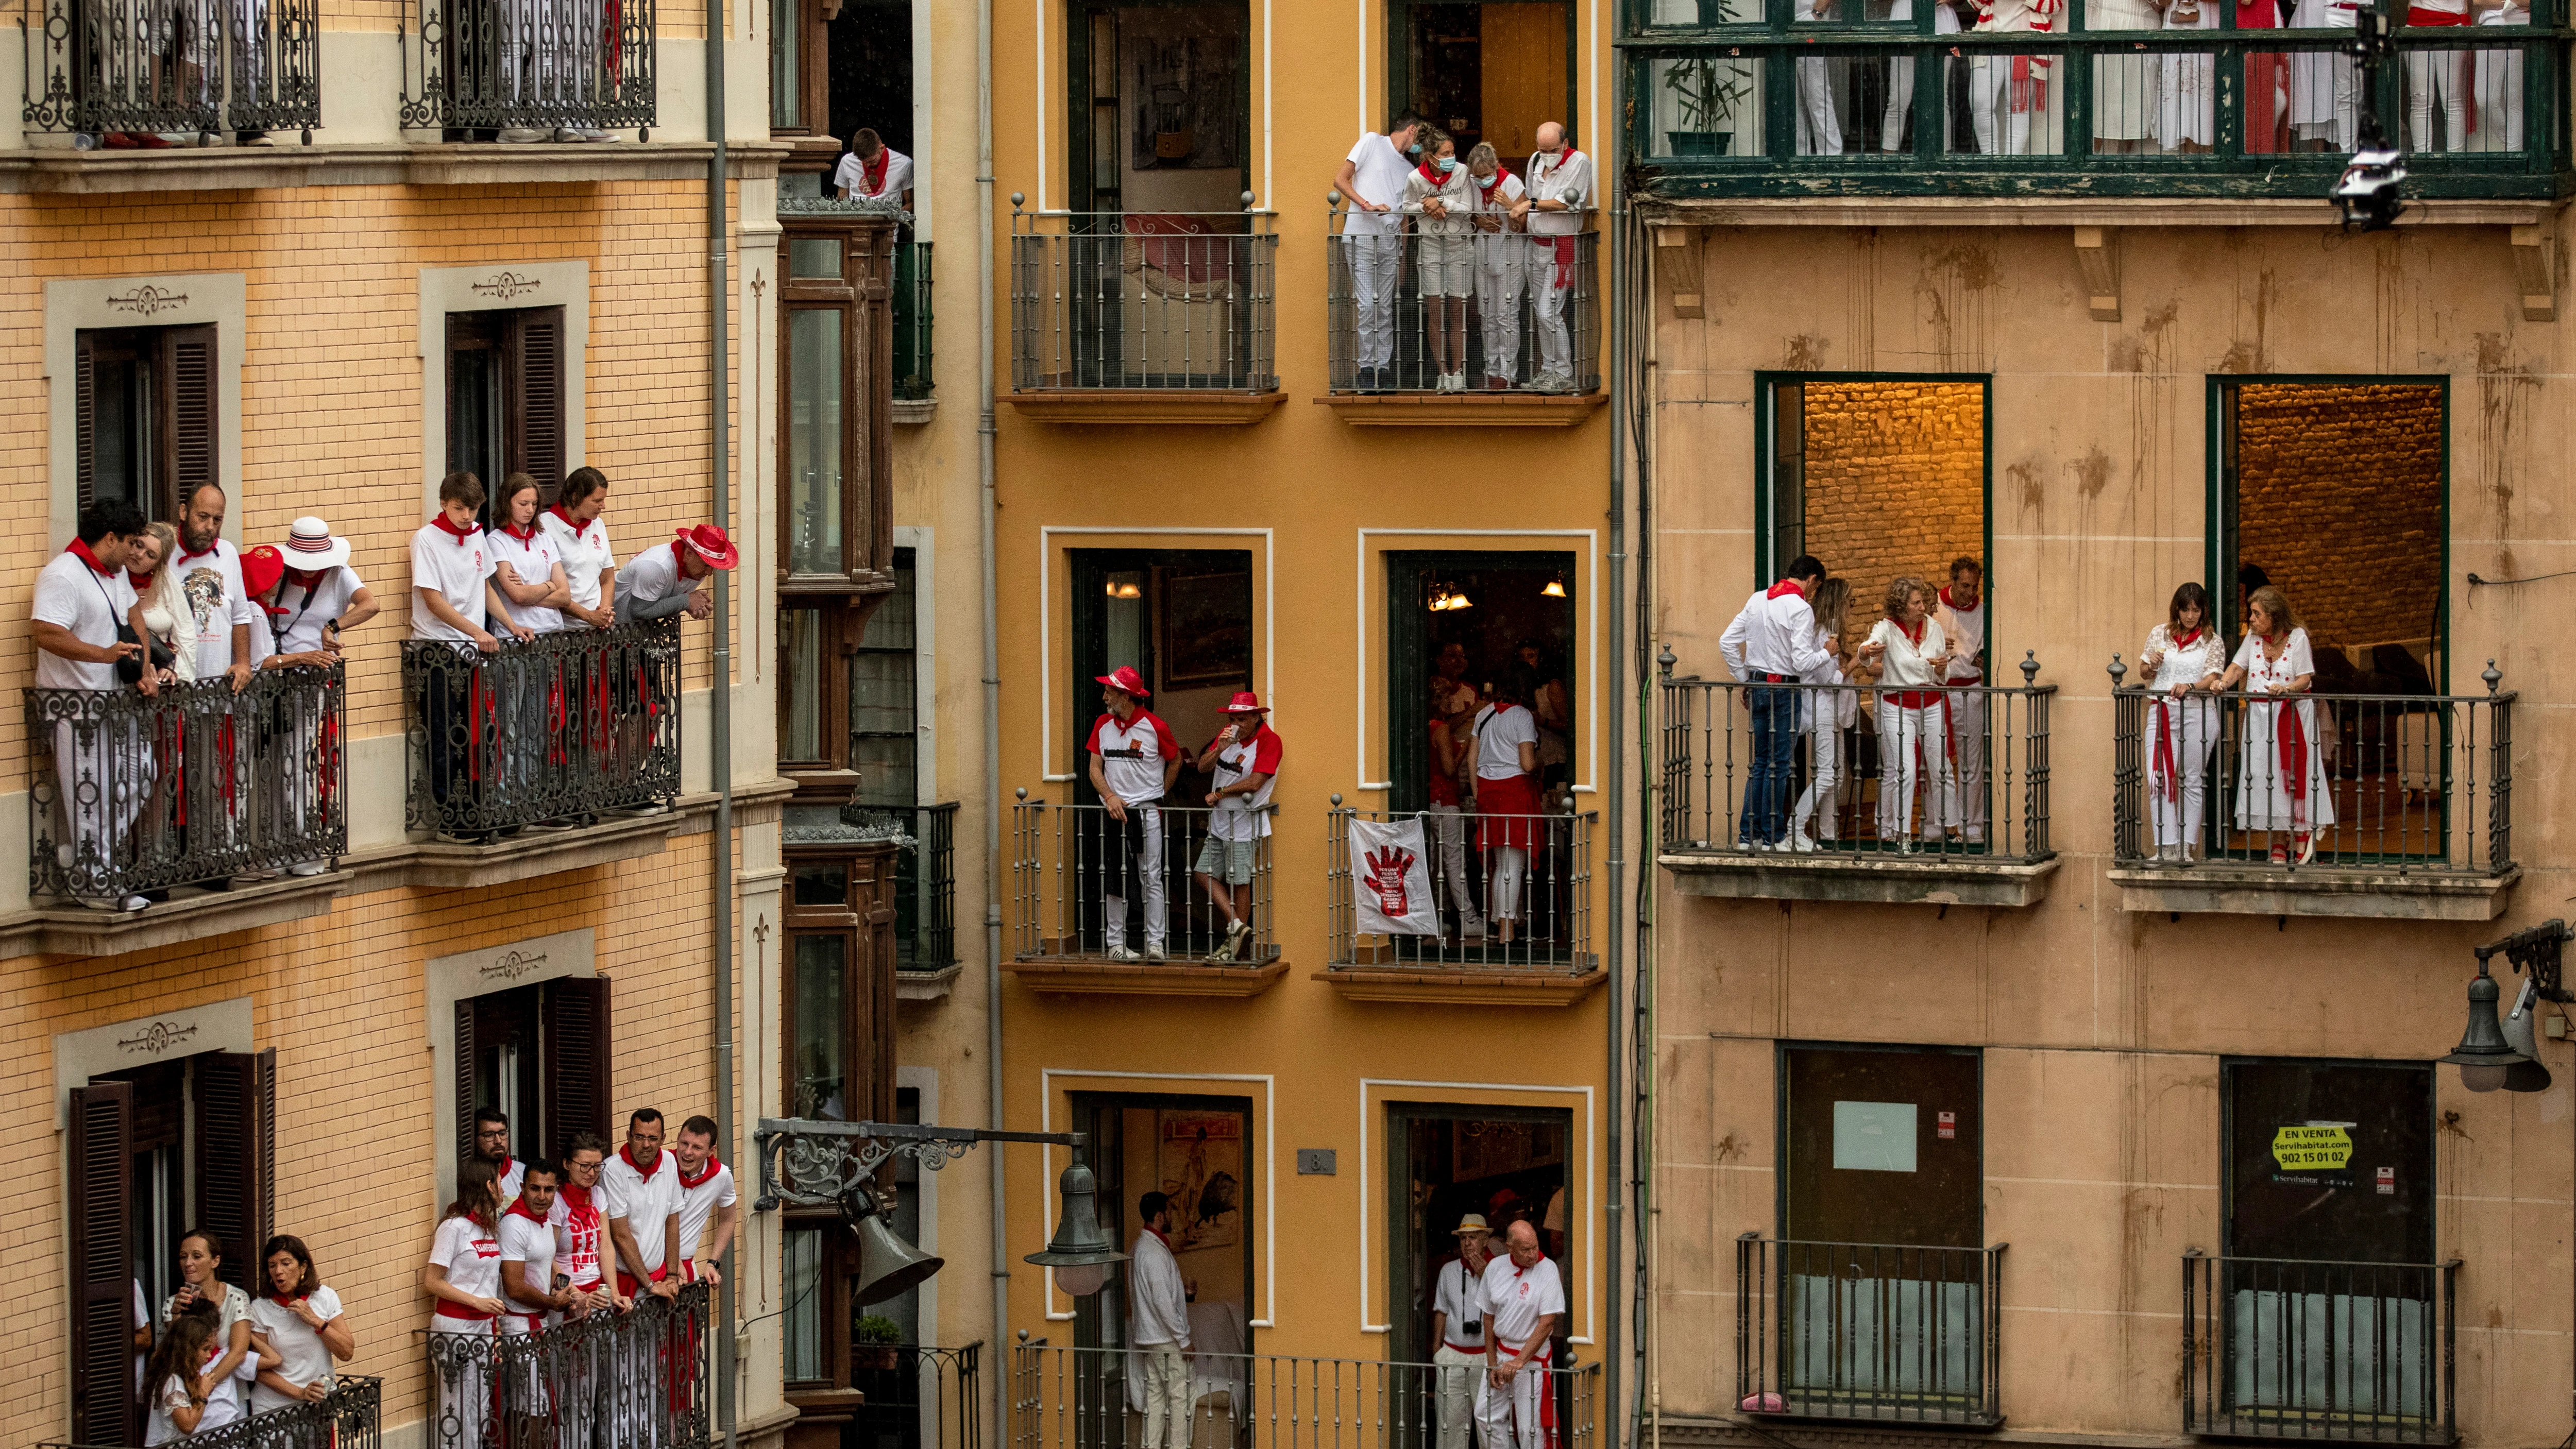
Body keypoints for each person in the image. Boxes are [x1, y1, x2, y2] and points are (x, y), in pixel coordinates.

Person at [32, 499, 158, 911]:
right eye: (131, 543)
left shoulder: (114, 572)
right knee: (90, 792)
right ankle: (95, 885)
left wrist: (144, 664)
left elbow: (134, 614)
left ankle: (83, 857)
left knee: (141, 774)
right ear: (110, 538)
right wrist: (101, 654)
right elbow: (46, 632)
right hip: (75, 707)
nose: (135, 553)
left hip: (113, 701)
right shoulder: (63, 575)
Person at [413, 473, 509, 838]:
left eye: (472, 508)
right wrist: (476, 631)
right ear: (443, 503)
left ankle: (474, 808)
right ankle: (450, 817)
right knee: (444, 733)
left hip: (472, 650)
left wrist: (510, 624)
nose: (467, 515)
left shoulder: (477, 537)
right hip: (437, 650)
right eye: (459, 508)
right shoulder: (425, 540)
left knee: (474, 734)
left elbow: (483, 586)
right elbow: (433, 600)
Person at [1717, 554, 1831, 850]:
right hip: (1784, 690)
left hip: (1758, 686)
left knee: (1760, 764)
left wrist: (1746, 679)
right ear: (1813, 581)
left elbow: (1727, 642)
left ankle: (1748, 835)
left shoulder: (1757, 599)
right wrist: (1828, 653)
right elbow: (1803, 662)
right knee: (1779, 765)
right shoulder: (1800, 608)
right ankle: (1773, 837)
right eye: (1815, 587)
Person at [2214, 585, 2335, 863]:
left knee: (2294, 775)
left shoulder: (2298, 638)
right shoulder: (2253, 639)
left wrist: (2286, 688)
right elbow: (2237, 667)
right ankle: (2279, 841)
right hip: (2259, 721)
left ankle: (2303, 834)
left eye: (2256, 614)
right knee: (2268, 780)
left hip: (2292, 717)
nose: (2251, 620)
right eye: (2251, 613)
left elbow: (2306, 679)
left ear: (2274, 616)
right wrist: (2223, 682)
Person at [487, 473, 571, 815]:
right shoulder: (496, 542)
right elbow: (516, 595)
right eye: (523, 503)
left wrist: (544, 589)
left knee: (535, 726)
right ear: (508, 501)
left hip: (548, 639)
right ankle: (505, 800)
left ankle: (528, 795)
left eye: (534, 504)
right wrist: (547, 586)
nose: (529, 509)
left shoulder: (543, 537)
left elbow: (565, 593)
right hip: (513, 643)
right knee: (509, 723)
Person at [1086, 666, 1183, 963]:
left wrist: (1158, 793)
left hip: (1147, 813)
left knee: (1151, 876)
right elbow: (1094, 768)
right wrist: (1110, 796)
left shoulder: (1156, 727)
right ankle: (1116, 943)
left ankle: (1155, 944)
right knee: (1115, 876)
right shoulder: (1103, 724)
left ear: (1126, 697)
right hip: (1116, 813)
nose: (1104, 697)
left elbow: (1176, 760)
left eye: (1109, 692)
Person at [1857, 576, 1954, 851]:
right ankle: (1902, 835)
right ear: (1902, 607)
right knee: (1905, 771)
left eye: (1923, 601)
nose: (1923, 607)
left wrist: (1940, 669)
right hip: (1896, 705)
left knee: (1942, 768)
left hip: (1931, 702)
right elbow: (1868, 650)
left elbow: (1942, 674)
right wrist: (1867, 650)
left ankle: (1951, 830)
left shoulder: (1933, 628)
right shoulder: (1887, 628)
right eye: (1917, 602)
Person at [1334, 111, 1426, 393]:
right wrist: (1367, 204)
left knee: (1384, 308)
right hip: (1362, 238)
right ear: (1412, 130)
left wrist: (1403, 257)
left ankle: (1382, 368)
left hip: (1390, 244)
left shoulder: (1408, 170)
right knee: (1368, 305)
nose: (1421, 144)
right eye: (1421, 136)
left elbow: (1405, 219)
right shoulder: (1372, 142)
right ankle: (1366, 369)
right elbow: (1340, 180)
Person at [2139, 582, 2228, 862]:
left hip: (2197, 713)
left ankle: (2184, 847)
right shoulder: (2160, 634)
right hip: (2162, 711)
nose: (2190, 616)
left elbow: (2214, 677)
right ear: (2176, 609)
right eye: (2185, 609)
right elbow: (2144, 672)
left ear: (2203, 612)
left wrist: (2190, 685)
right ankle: (2165, 846)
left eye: (2196, 610)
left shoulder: (2213, 640)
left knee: (2191, 779)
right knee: (2158, 778)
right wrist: (2151, 664)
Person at [425, 1159, 507, 1449]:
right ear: (488, 1186)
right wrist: (477, 1302)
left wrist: (492, 1326)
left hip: (483, 1327)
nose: (503, 1188)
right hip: (455, 1326)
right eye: (499, 1182)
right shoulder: (454, 1227)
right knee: (455, 1406)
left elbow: (488, 1282)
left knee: (480, 1404)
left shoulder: (488, 1228)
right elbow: (432, 1281)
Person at [1193, 692, 1281, 963]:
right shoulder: (1227, 735)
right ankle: (1238, 928)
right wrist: (1219, 748)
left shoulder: (1270, 741)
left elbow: (1256, 782)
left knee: (1239, 883)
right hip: (1219, 824)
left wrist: (1220, 793)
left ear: (1256, 717)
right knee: (1202, 874)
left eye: (1242, 719)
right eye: (1233, 718)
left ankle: (1235, 947)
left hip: (1244, 825)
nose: (1236, 724)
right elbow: (1201, 768)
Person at [1468, 672, 1545, 946]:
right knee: (1513, 866)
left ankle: (1504, 927)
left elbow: (1472, 758)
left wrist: (1479, 794)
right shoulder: (1522, 716)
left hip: (1489, 793)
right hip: (1515, 793)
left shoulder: (1483, 714)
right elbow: (1526, 763)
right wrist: (1539, 759)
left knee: (1502, 865)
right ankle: (1507, 931)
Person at [1476, 1221, 1566, 1449]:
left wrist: (1519, 1361)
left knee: (1530, 1429)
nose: (1533, 1254)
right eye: (1525, 1250)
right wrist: (1492, 1364)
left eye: (1535, 1247)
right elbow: (1488, 1317)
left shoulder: (1548, 1269)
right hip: (1502, 1353)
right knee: (1485, 1417)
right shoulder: (1495, 1267)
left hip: (1532, 1358)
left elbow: (1547, 1322)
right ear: (1509, 1247)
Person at [1401, 129, 1477, 393]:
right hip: (1432, 247)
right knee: (1436, 312)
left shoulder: (1462, 172)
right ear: (1430, 156)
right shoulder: (1414, 178)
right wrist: (1426, 207)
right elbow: (1406, 206)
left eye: (1453, 153)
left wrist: (1443, 201)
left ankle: (1459, 372)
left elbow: (1469, 209)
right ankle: (1442, 373)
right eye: (1445, 154)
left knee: (1458, 311)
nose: (1451, 158)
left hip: (1459, 246)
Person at [1519, 124, 1592, 394]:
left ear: (1565, 143)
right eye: (1542, 149)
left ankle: (1563, 372)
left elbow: (1567, 202)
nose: (1548, 154)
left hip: (1562, 247)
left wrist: (1532, 205)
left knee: (1549, 311)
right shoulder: (1535, 161)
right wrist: (1529, 204)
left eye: (1553, 149)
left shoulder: (1579, 162)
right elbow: (1530, 194)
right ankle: (1548, 370)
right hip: (1536, 245)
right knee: (1541, 313)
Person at [1786, 577, 1856, 853]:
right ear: (1838, 603)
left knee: (1835, 774)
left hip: (1831, 709)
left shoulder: (1826, 632)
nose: (1851, 608)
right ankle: (1795, 826)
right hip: (1823, 708)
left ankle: (1828, 834)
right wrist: (1855, 663)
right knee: (1827, 773)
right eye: (1849, 601)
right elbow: (1829, 680)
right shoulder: (1823, 635)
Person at [247, 1234, 353, 1412]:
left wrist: (317, 1322)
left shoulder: (325, 1297)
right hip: (273, 1410)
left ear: (303, 1266)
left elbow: (347, 1352)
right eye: (272, 1265)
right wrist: (301, 1393)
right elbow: (259, 1368)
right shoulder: (259, 1308)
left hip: (317, 1406)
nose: (278, 1271)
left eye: (286, 1263)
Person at [1129, 1191, 1194, 1449]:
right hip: (1164, 1338)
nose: (1171, 1216)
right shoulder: (1152, 1253)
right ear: (1159, 1215)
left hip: (1150, 1337)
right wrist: (1184, 1339)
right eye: (1169, 1211)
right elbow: (1162, 1302)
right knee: (1182, 1395)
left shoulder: (1141, 1248)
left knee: (1155, 1397)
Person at [1430, 1215, 1498, 1449]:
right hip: (1453, 1355)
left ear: (1486, 1240)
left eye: (1473, 1238)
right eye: (1463, 1238)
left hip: (1486, 1357)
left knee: (1489, 1423)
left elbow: (1506, 1308)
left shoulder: (1499, 1269)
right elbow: (1441, 1311)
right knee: (1450, 1424)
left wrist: (1485, 1274)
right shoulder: (1448, 1270)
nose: (1467, 1243)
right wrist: (1437, 1351)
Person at [1934, 557, 1989, 845]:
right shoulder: (1935, 608)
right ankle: (1937, 824)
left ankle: (1971, 825)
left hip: (1971, 690)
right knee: (1936, 758)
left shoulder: (1983, 612)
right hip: (1939, 690)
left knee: (1972, 760)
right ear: (1953, 581)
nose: (1970, 592)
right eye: (1965, 586)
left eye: (1975, 586)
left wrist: (1984, 660)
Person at [605, 1107, 685, 1303]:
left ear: (663, 1138)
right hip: (626, 1283)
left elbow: (672, 1221)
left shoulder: (669, 1162)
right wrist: (649, 1285)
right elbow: (621, 1235)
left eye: (653, 1138)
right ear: (628, 1137)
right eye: (639, 1137)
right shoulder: (612, 1170)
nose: (646, 1145)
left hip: (659, 1281)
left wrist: (672, 1276)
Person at [162, 1229, 256, 1390]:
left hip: (229, 1395)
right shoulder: (173, 1304)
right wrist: (176, 1314)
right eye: (183, 1257)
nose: (188, 1263)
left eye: (197, 1256)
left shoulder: (236, 1298)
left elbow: (238, 1352)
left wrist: (205, 1385)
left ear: (215, 1261)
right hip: (190, 1393)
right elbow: (180, 1351)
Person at [144, 1303, 249, 1445]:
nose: (208, 1355)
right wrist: (203, 1392)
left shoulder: (183, 1376)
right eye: (205, 1349)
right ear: (189, 1350)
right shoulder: (173, 1381)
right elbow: (187, 1426)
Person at [1428, 703, 1486, 943]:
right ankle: (1469, 918)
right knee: (1455, 861)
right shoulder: (1440, 729)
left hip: (1430, 800)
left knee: (1432, 862)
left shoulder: (1429, 727)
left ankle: (1433, 916)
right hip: (1444, 799)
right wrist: (1465, 749)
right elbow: (1450, 769)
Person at [500, 1158, 573, 1336]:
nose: (542, 1197)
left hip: (541, 1319)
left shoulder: (545, 1219)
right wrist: (552, 1302)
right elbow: (514, 1288)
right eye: (535, 1188)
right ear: (522, 1188)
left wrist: (566, 1293)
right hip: (518, 1325)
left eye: (549, 1190)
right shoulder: (514, 1224)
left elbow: (547, 1265)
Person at [545, 467, 621, 629]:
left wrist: (604, 614)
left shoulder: (598, 524)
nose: (603, 506)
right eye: (596, 501)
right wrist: (588, 616)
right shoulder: (545, 527)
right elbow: (546, 589)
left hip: (596, 629)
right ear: (576, 498)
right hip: (561, 629)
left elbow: (607, 578)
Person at [616, 523, 737, 626]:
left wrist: (691, 604)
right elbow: (639, 611)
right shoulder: (657, 566)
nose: (709, 573)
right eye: (706, 565)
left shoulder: (694, 569)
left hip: (636, 636)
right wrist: (686, 601)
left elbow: (661, 604)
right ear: (689, 553)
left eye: (713, 567)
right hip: (611, 635)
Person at [672, 1115, 739, 1283]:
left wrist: (713, 1262)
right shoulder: (662, 1166)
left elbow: (729, 1219)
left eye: (697, 1147)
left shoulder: (721, 1176)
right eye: (684, 1143)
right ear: (677, 1139)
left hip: (686, 1268)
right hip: (652, 1267)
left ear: (712, 1151)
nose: (687, 1152)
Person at [1517, 641, 1572, 792]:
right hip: (1529, 764)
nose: (1526, 661)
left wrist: (1543, 721)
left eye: (1531, 656)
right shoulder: (1518, 691)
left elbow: (1570, 727)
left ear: (1541, 660)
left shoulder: (1552, 687)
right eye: (1521, 657)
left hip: (1554, 763)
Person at [836, 127, 914, 207]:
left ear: (882, 148)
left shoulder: (904, 164)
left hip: (889, 218)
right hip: (857, 217)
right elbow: (842, 201)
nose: (867, 165)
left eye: (871, 161)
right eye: (862, 161)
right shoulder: (847, 161)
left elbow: (910, 203)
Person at [475, 1107, 529, 1203]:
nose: (498, 1141)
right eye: (489, 1135)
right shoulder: (469, 1178)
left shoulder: (523, 1173)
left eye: (502, 1133)